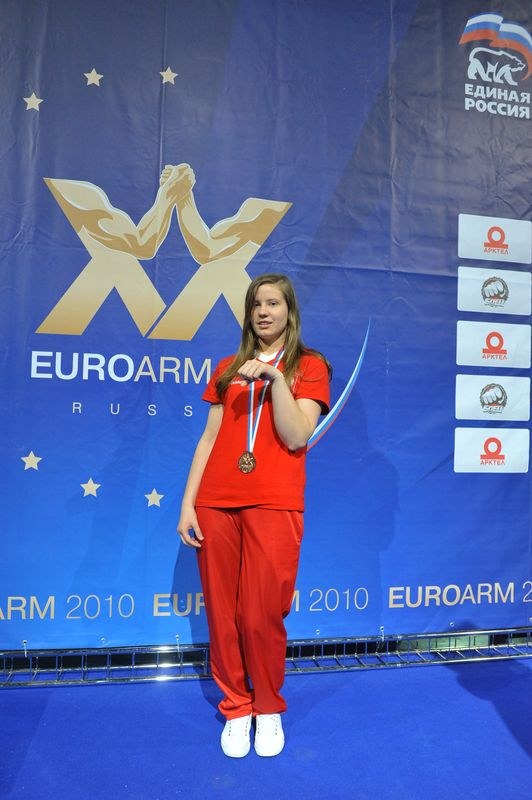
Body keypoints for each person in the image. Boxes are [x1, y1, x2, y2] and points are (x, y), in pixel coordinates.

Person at [177, 273, 331, 758]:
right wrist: (187, 503)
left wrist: (274, 379)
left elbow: (296, 436)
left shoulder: (309, 366)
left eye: (273, 303)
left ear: (289, 310)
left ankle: (268, 707)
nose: (263, 311)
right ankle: (236, 706)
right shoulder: (228, 368)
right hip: (216, 500)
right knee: (222, 613)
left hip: (274, 501)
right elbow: (208, 440)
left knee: (262, 612)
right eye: (255, 305)